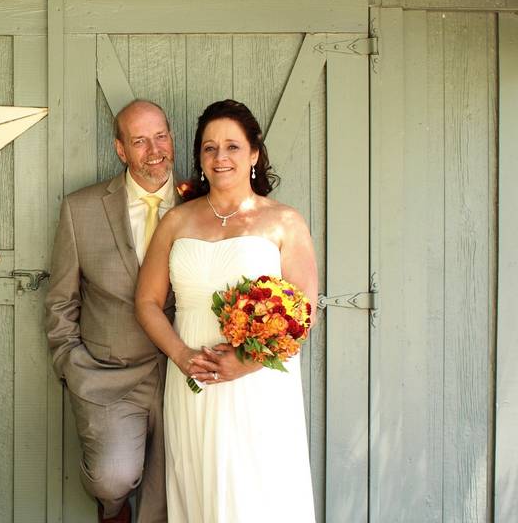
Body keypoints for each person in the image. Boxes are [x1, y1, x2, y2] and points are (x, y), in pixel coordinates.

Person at [135, 99, 317, 522]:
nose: (221, 158)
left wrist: (246, 362)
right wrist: (181, 357)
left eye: (232, 147)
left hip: (258, 385)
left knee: (256, 493)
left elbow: (303, 312)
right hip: (194, 382)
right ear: (200, 158)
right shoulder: (177, 222)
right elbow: (146, 302)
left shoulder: (284, 222)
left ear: (254, 153)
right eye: (210, 148)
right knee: (200, 491)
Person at [45, 99, 178, 523]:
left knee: (175, 488)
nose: (154, 150)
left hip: (186, 373)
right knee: (112, 477)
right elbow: (61, 299)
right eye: (139, 141)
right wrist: (72, 364)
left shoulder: (205, 202)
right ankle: (112, 510)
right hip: (110, 375)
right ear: (121, 149)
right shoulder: (80, 209)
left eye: (160, 136)